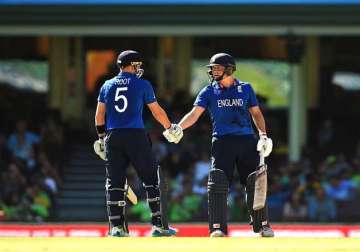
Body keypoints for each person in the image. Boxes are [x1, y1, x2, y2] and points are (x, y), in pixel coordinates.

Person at [163, 53, 274, 237]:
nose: (213, 71)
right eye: (212, 68)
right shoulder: (208, 91)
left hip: (247, 140)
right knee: (218, 183)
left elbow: (256, 113)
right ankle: (217, 228)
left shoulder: (246, 89)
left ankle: (262, 225)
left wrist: (263, 135)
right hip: (222, 142)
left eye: (217, 68)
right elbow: (194, 114)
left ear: (229, 69)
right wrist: (178, 127)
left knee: (254, 183)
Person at [93, 50, 182, 237]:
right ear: (132, 65)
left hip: (113, 136)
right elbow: (156, 111)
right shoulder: (142, 84)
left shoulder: (107, 85)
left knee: (114, 182)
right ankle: (159, 226)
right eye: (137, 65)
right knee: (151, 180)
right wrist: (170, 127)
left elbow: (99, 115)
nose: (139, 69)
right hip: (135, 135)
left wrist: (101, 138)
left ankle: (116, 228)